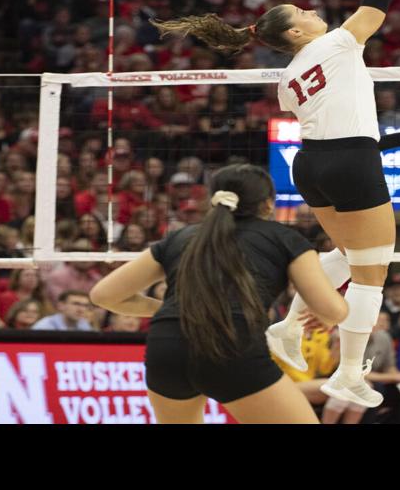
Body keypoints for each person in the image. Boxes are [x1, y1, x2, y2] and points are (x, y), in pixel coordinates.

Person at [153, 0, 400, 413]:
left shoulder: (289, 77)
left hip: (313, 165)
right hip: (346, 161)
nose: (312, 9)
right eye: (302, 10)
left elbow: (338, 132)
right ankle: (348, 375)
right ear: (296, 30)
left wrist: (394, 139)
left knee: (348, 254)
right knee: (373, 275)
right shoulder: (339, 42)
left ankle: (286, 326)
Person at [89, 164, 348, 424]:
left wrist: (174, 312)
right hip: (230, 345)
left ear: (213, 199)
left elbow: (104, 295)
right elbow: (331, 310)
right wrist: (347, 305)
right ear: (268, 205)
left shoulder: (180, 237)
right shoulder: (285, 238)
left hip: (167, 347)